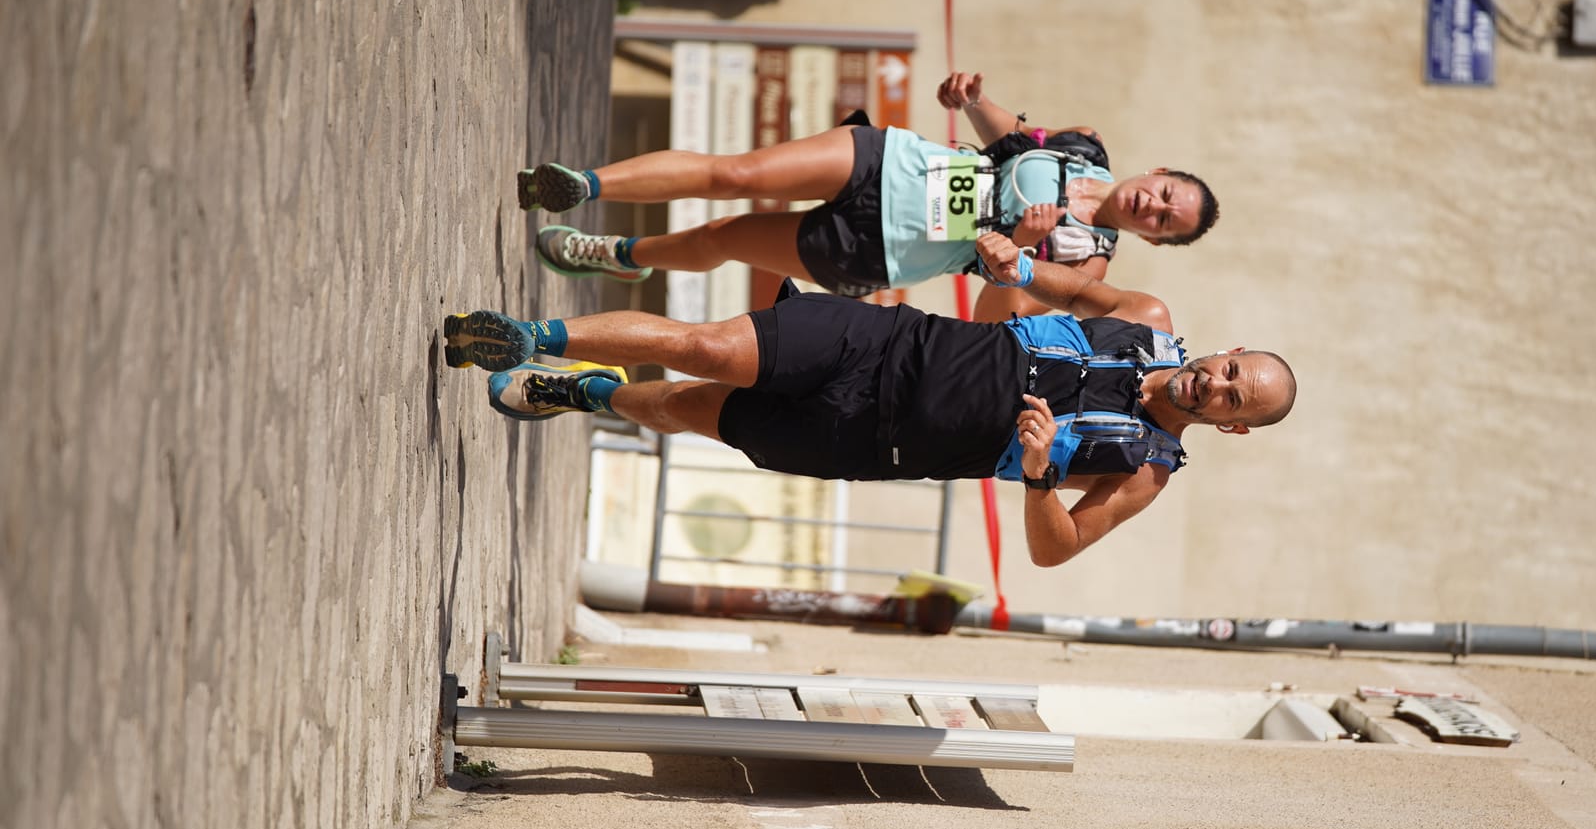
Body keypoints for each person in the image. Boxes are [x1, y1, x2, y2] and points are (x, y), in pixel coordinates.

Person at [445, 215, 1292, 567]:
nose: (1217, 386)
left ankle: (587, 393)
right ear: (1227, 351)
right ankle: (530, 334)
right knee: (707, 347)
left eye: (1234, 400)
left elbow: (1057, 547)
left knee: (683, 406)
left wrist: (1039, 475)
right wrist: (1014, 264)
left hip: (871, 440)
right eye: (1231, 371)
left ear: (1233, 428)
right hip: (884, 341)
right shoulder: (1147, 317)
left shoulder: (1144, 469)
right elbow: (1061, 286)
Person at [515, 71, 1221, 320]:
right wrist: (971, 100)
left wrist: (1023, 251)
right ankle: (585, 185)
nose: (1153, 206)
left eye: (1165, 221)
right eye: (1166, 193)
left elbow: (993, 317)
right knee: (738, 174)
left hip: (880, 250)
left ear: (1155, 240)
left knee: (725, 238)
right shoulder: (1085, 145)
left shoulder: (1088, 265)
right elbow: (1011, 139)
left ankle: (618, 253)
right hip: (891, 165)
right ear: (1157, 171)